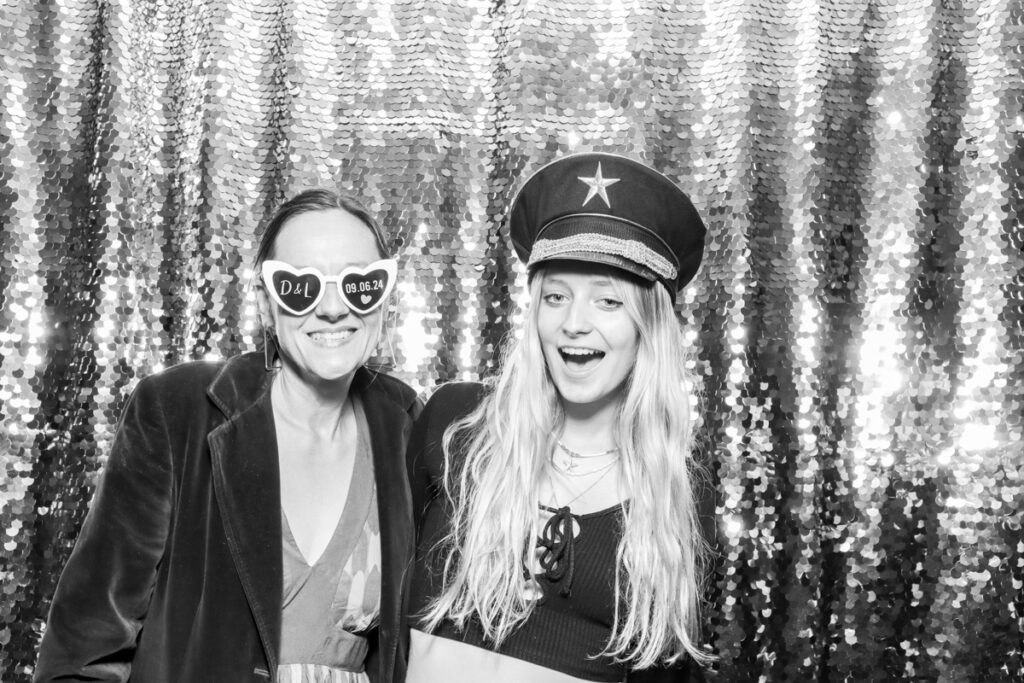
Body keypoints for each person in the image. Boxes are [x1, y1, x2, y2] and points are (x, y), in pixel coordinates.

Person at [35, 189, 420, 683]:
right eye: (300, 286)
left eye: (359, 284)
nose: (331, 309)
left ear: (384, 297)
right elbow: (86, 646)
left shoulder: (406, 426)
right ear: (265, 303)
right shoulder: (179, 411)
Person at [405, 152, 717, 682]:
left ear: (649, 326)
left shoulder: (675, 491)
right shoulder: (457, 426)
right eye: (556, 296)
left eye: (608, 302)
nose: (575, 323)